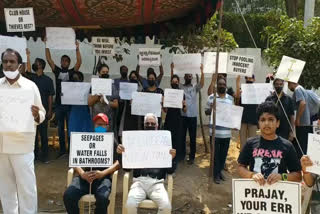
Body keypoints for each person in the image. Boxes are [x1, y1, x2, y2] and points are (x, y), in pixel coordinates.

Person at [0, 48, 46, 213]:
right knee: (6, 189)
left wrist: (36, 115)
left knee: (26, 188)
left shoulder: (30, 87)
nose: (8, 65)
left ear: (19, 65)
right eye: (5, 61)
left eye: (12, 62)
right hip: (2, 147)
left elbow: (43, 114)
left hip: (22, 146)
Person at [117, 113, 176, 214]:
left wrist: (172, 158)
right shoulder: (136, 142)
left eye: (152, 124)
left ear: (157, 126)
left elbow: (171, 171)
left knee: (166, 206)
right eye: (147, 123)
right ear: (143, 125)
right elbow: (126, 169)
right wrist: (121, 154)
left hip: (157, 183)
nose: (150, 125)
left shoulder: (164, 143)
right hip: (139, 182)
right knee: (130, 204)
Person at [63, 113, 120, 214]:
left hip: (103, 178)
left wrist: (103, 173)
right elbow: (74, 160)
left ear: (107, 126)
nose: (100, 127)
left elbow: (118, 164)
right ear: (94, 125)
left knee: (103, 198)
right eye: (98, 124)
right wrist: (82, 174)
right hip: (85, 177)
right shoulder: (85, 138)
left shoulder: (111, 140)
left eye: (102, 125)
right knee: (68, 195)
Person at [238, 101, 302, 186]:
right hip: (254, 195)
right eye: (263, 120)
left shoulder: (287, 146)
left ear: (278, 123)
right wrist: (251, 175)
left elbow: (298, 176)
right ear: (258, 123)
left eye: (271, 119)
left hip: (278, 196)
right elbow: (240, 167)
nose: (266, 123)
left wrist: (282, 177)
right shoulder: (250, 143)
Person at [45, 40, 82, 157]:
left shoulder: (72, 72)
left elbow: (79, 62)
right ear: (61, 62)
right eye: (63, 60)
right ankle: (62, 151)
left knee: (70, 129)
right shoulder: (57, 71)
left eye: (66, 61)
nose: (64, 62)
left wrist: (77, 49)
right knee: (60, 129)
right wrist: (46, 45)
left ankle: (71, 151)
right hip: (59, 105)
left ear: (69, 63)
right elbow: (49, 60)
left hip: (70, 105)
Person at [171, 63, 204, 164]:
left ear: (192, 77)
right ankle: (182, 155)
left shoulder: (195, 87)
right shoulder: (180, 87)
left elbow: (202, 84)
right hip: (183, 116)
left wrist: (202, 71)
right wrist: (172, 69)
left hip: (193, 117)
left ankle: (192, 156)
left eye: (190, 75)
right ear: (184, 77)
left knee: (193, 137)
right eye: (187, 75)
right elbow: (173, 82)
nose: (189, 76)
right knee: (182, 136)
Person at [26, 49, 55, 163]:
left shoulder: (48, 80)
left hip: (43, 111)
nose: (34, 64)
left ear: (41, 66)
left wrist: (50, 110)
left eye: (36, 62)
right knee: (33, 135)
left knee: (43, 135)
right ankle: (35, 156)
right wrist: (28, 56)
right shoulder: (32, 78)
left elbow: (50, 96)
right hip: (31, 112)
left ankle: (45, 157)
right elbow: (28, 69)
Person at [205, 77, 234, 184]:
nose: (222, 86)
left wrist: (234, 123)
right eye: (220, 84)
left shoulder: (230, 99)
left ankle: (219, 171)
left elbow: (232, 114)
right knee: (216, 155)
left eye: (223, 84)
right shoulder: (211, 97)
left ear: (226, 86)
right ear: (217, 86)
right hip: (215, 132)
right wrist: (211, 108)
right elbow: (206, 112)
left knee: (223, 155)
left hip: (226, 133)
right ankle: (216, 175)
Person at [88, 64, 119, 133]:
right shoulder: (93, 86)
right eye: (103, 72)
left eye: (107, 72)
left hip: (108, 120)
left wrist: (107, 102)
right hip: (96, 119)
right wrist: (98, 96)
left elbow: (116, 104)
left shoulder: (112, 86)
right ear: (99, 73)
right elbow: (89, 103)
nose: (105, 74)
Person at [164, 74, 187, 164]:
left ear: (178, 83)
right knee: (168, 139)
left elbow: (184, 110)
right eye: (173, 82)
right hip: (169, 118)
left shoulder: (182, 94)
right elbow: (165, 110)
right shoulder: (167, 93)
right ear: (171, 83)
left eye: (176, 82)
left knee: (177, 139)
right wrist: (164, 104)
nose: (175, 83)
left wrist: (184, 104)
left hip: (178, 119)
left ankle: (175, 160)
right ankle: (167, 158)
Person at [288, 81, 314, 158]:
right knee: (304, 146)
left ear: (292, 83)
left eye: (289, 85)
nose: (289, 88)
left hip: (301, 123)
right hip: (305, 122)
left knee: (300, 146)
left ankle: (300, 165)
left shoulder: (298, 89)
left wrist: (298, 119)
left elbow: (303, 103)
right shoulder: (302, 88)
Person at [235, 75, 258, 150]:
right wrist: (237, 82)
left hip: (253, 119)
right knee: (243, 141)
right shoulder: (241, 90)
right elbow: (237, 101)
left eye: (250, 78)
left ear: (254, 79)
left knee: (253, 141)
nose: (249, 80)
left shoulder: (258, 90)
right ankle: (243, 158)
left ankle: (251, 159)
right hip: (243, 119)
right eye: (247, 78)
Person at [118, 71, 143, 137]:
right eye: (131, 77)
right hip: (127, 112)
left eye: (134, 77)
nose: (133, 78)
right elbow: (121, 100)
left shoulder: (141, 89)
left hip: (137, 114)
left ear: (137, 78)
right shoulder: (126, 88)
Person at [68, 72, 93, 136]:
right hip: (74, 114)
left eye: (76, 79)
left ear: (81, 79)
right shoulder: (69, 89)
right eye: (73, 79)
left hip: (84, 114)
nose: (75, 81)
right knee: (74, 134)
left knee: (85, 133)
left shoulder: (87, 88)